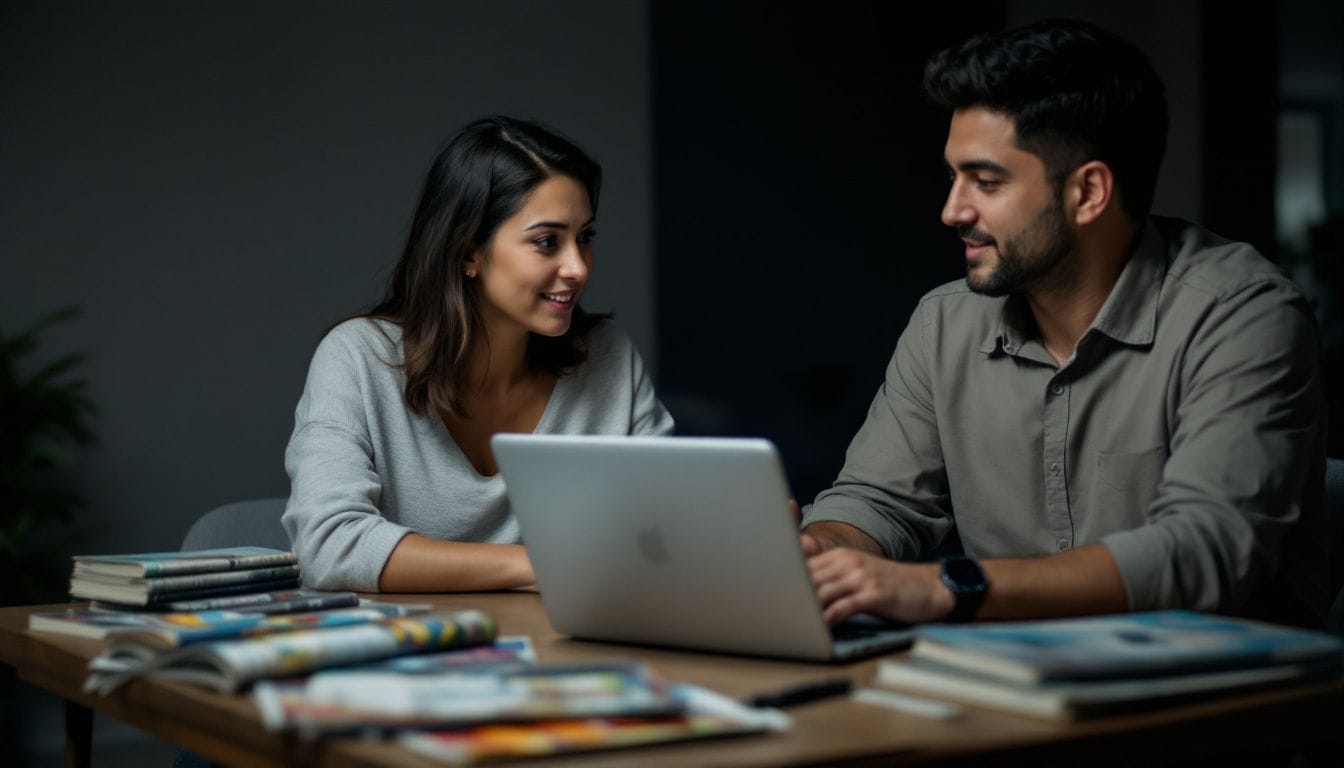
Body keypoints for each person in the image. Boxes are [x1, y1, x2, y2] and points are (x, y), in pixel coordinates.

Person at [800, 19, 1330, 628]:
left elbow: (1203, 551)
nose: (951, 210)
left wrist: (948, 586)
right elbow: (876, 503)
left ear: (1089, 192)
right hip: (1013, 688)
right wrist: (822, 553)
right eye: (954, 177)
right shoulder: (943, 323)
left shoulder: (1244, 314)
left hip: (1226, 700)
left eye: (986, 181)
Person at [283, 116, 674, 593]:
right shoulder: (357, 360)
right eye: (547, 241)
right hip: (411, 660)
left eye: (585, 237)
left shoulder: (608, 357)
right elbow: (329, 547)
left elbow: (667, 526)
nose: (577, 267)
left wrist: (744, 533)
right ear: (469, 253)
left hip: (571, 653)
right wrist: (540, 565)